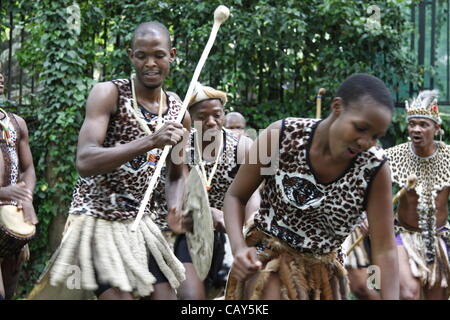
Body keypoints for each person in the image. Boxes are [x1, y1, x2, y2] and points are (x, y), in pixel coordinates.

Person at [47, 22, 190, 300]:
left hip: (142, 224)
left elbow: (177, 174)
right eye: (141, 55)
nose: (150, 63)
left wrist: (174, 206)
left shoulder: (178, 111)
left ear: (172, 55)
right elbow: (85, 160)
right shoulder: (109, 93)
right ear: (130, 55)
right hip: (97, 220)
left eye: (159, 55)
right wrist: (150, 141)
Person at [224, 73, 399, 300]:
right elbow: (236, 196)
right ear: (337, 107)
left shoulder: (374, 169)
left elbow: (385, 249)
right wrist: (238, 249)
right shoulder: (282, 135)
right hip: (267, 257)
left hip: (323, 274)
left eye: (376, 136)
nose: (366, 142)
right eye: (360, 128)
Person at [172, 83, 259, 299]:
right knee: (191, 296)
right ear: (190, 118)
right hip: (191, 231)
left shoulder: (243, 146)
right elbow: (178, 188)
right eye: (202, 116)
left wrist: (249, 230)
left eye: (217, 115)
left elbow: (253, 195)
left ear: (223, 115)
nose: (211, 121)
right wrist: (207, 213)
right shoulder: (181, 146)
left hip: (231, 233)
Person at [386, 90, 450, 300]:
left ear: (437, 128)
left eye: (424, 124)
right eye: (412, 124)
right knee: (409, 293)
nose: (416, 129)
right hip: (402, 235)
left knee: (437, 296)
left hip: (438, 237)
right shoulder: (394, 156)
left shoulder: (448, 157)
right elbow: (367, 187)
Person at [0, 72, 37, 299]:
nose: (1, 77)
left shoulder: (16, 123)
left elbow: (28, 169)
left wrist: (26, 197)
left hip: (11, 218)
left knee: (10, 291)